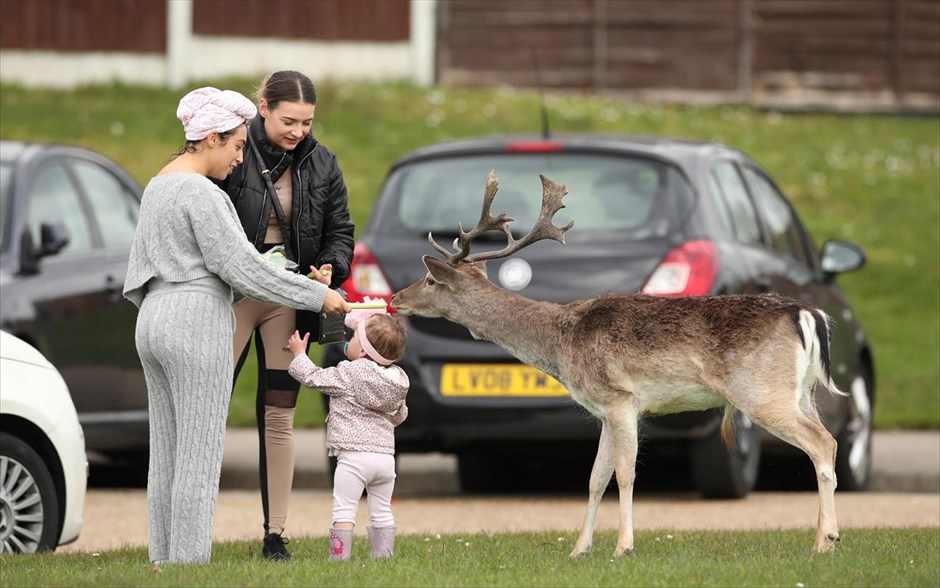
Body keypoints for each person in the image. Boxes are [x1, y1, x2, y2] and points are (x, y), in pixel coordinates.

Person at [123, 86, 351, 565]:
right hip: (194, 322)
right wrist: (318, 296)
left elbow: (138, 270)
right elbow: (240, 268)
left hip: (152, 320)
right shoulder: (201, 192)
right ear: (210, 139)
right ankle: (187, 568)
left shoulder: (157, 186)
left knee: (165, 455)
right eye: (236, 146)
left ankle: (162, 564)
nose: (240, 157)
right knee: (199, 460)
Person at [213, 69, 355, 561]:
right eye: (288, 121)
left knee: (280, 415)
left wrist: (330, 269)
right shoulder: (231, 150)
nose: (298, 132)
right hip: (231, 295)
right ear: (262, 107)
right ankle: (191, 528)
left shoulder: (323, 162)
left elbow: (341, 229)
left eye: (307, 123)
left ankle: (276, 536)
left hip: (288, 297)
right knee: (208, 412)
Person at [286, 311, 409, 561]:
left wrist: (300, 355)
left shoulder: (349, 374)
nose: (349, 341)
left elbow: (314, 378)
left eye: (354, 337)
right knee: (382, 510)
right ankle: (383, 557)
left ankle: (339, 559)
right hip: (385, 460)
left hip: (353, 458)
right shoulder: (397, 383)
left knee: (344, 511)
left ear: (363, 351)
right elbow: (400, 416)